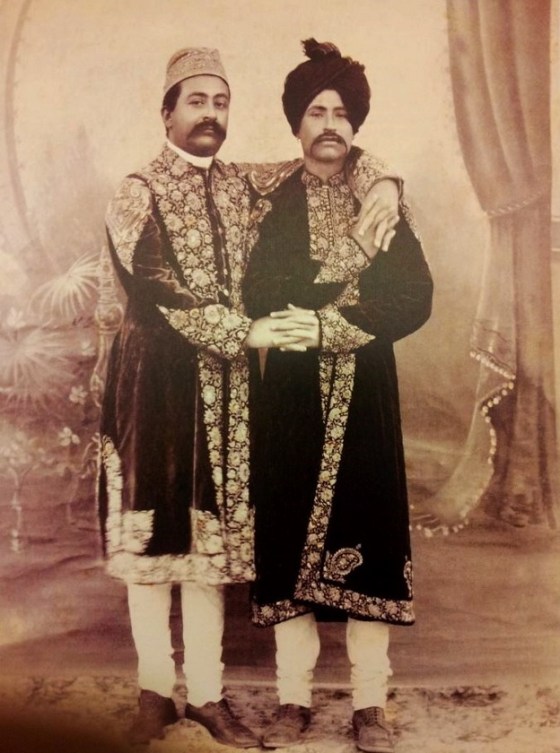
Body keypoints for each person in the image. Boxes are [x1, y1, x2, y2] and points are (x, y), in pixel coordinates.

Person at [97, 45, 401, 748]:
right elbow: (156, 288)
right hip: (152, 387)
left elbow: (329, 153)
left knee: (210, 548)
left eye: (220, 102)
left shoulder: (243, 184)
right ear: (167, 113)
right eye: (196, 101)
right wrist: (250, 330)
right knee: (155, 545)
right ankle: (153, 691)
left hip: (227, 392)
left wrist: (387, 182)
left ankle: (206, 696)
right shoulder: (136, 190)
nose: (210, 114)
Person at [243, 39, 433, 753]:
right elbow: (260, 292)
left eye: (342, 114)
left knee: (370, 534)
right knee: (286, 532)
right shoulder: (272, 204)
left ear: (356, 125)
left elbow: (414, 296)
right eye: (317, 112)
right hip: (290, 393)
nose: (330, 125)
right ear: (297, 122)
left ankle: (370, 706)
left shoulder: (382, 203)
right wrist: (339, 269)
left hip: (366, 389)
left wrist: (333, 325)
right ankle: (292, 700)